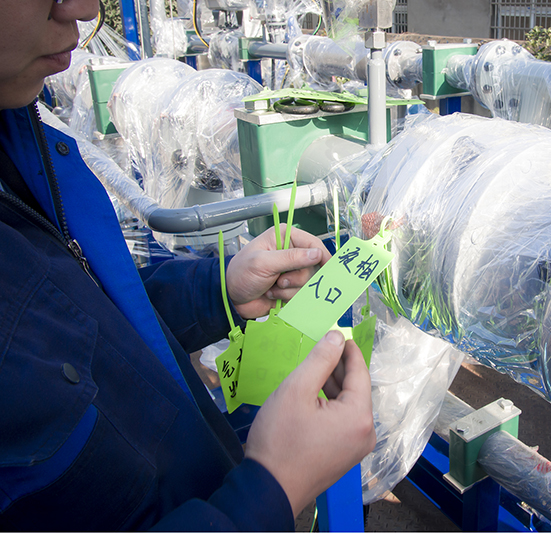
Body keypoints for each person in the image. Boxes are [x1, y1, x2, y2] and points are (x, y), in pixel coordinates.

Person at [0, 0, 376, 530]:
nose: (82, 10)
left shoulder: (17, 137)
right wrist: (273, 487)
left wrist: (218, 291)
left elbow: (83, 319)